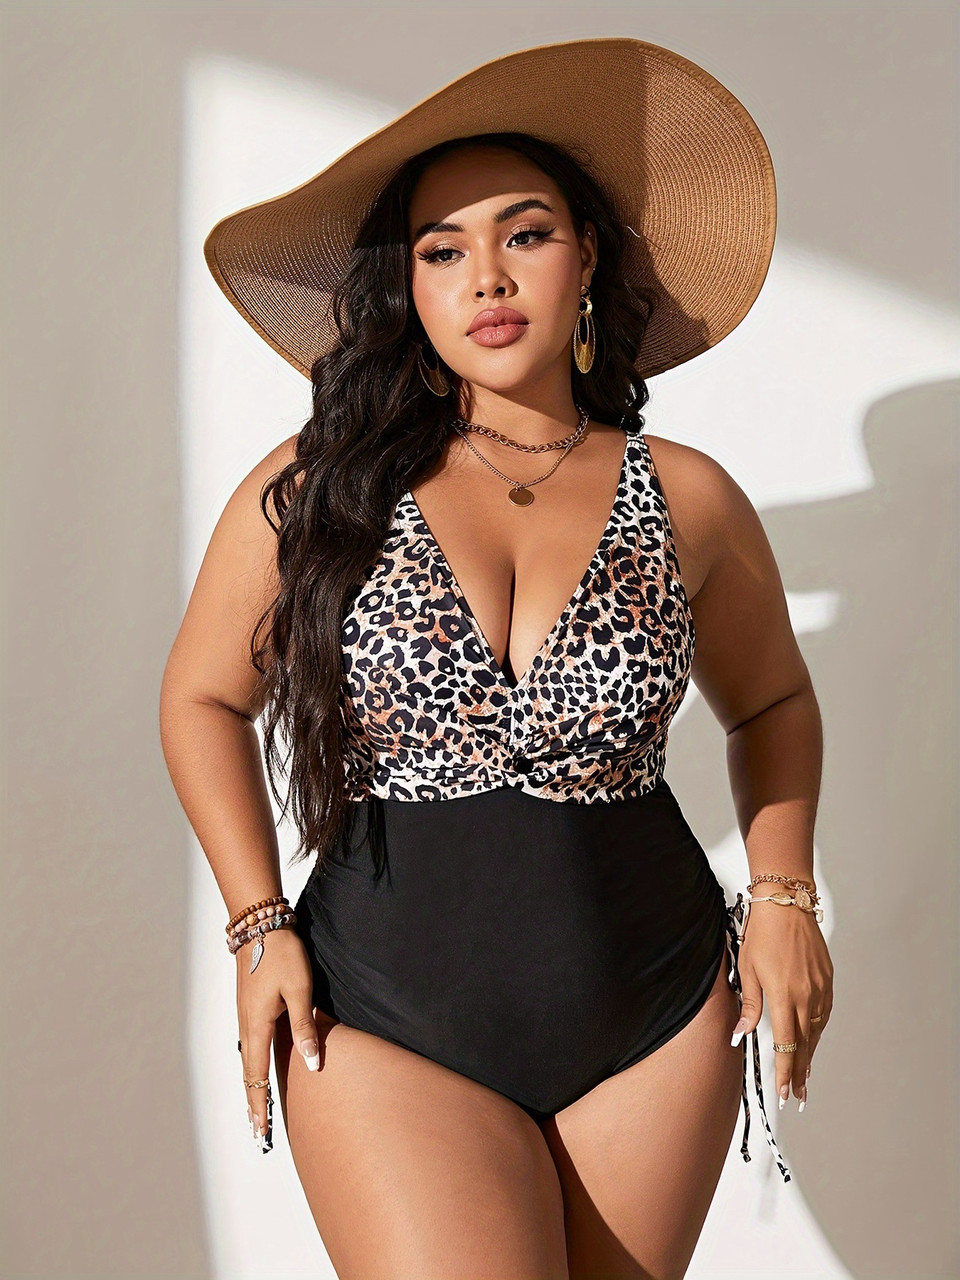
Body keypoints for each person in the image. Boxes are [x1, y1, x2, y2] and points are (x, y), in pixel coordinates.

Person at [161, 36, 834, 1279]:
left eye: (525, 234)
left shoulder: (688, 497)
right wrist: (257, 923)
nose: (487, 276)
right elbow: (202, 696)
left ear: (589, 259)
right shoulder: (319, 493)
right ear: (405, 290)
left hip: (658, 1008)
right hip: (382, 1013)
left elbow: (776, 699)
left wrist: (785, 894)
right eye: (441, 250)